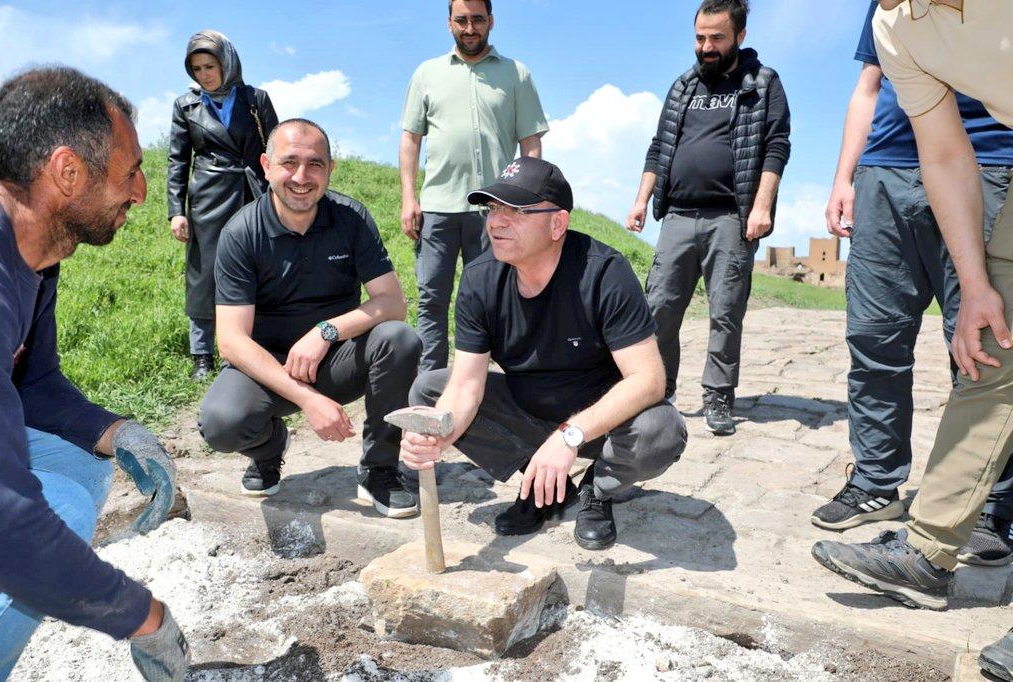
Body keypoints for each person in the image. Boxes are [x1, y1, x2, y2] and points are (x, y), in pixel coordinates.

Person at [811, 0, 1013, 624]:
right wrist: (977, 282)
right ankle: (926, 548)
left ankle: (990, 510)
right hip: (914, 168)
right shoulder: (893, 23)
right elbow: (943, 153)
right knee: (991, 345)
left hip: (998, 158)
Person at [0, 68, 188, 681]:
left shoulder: (33, 258)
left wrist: (120, 432)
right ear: (67, 172)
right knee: (57, 513)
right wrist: (143, 617)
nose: (143, 192)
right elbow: (3, 518)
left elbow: (34, 382)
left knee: (76, 469)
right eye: (128, 172)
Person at [401, 157, 688, 550]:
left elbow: (649, 379)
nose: (496, 221)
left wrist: (568, 437)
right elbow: (466, 385)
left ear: (558, 223)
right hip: (528, 411)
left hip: (602, 426)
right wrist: (438, 433)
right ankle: (544, 486)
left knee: (661, 430)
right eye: (493, 209)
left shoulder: (603, 273)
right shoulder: (481, 279)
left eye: (516, 211)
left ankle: (597, 490)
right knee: (431, 392)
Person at [197, 119, 422, 518]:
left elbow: (392, 303)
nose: (302, 177)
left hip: (336, 360)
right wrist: (308, 400)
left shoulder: (350, 218)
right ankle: (268, 449)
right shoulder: (241, 233)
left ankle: (380, 468)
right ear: (266, 165)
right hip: (267, 371)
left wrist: (327, 331)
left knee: (399, 338)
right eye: (289, 163)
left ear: (330, 169)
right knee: (221, 422)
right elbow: (231, 341)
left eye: (315, 164)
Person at [625, 0, 791, 436]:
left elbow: (776, 145)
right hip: (677, 214)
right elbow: (659, 145)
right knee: (658, 308)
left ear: (739, 35)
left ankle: (718, 395)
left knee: (725, 311)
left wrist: (762, 206)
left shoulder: (762, 83)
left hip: (730, 218)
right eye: (700, 37)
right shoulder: (684, 86)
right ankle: (657, 390)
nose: (706, 46)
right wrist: (642, 199)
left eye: (717, 37)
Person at [400, 0, 549, 372]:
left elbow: (530, 142)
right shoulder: (426, 73)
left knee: (495, 297)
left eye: (477, 20)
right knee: (432, 299)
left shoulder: (516, 74)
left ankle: (494, 382)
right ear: (449, 22)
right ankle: (430, 383)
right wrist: (408, 197)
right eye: (461, 20)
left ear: (491, 22)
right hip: (437, 208)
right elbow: (410, 139)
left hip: (497, 210)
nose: (470, 29)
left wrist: (530, 199)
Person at [168, 30, 279, 381]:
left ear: (227, 62)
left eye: (210, 66)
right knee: (204, 273)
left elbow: (275, 149)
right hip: (207, 198)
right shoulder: (185, 105)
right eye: (197, 68)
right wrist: (176, 211)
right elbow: (177, 161)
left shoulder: (255, 99)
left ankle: (253, 347)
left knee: (257, 267)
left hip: (253, 194)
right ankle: (202, 354)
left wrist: (279, 196)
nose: (204, 75)